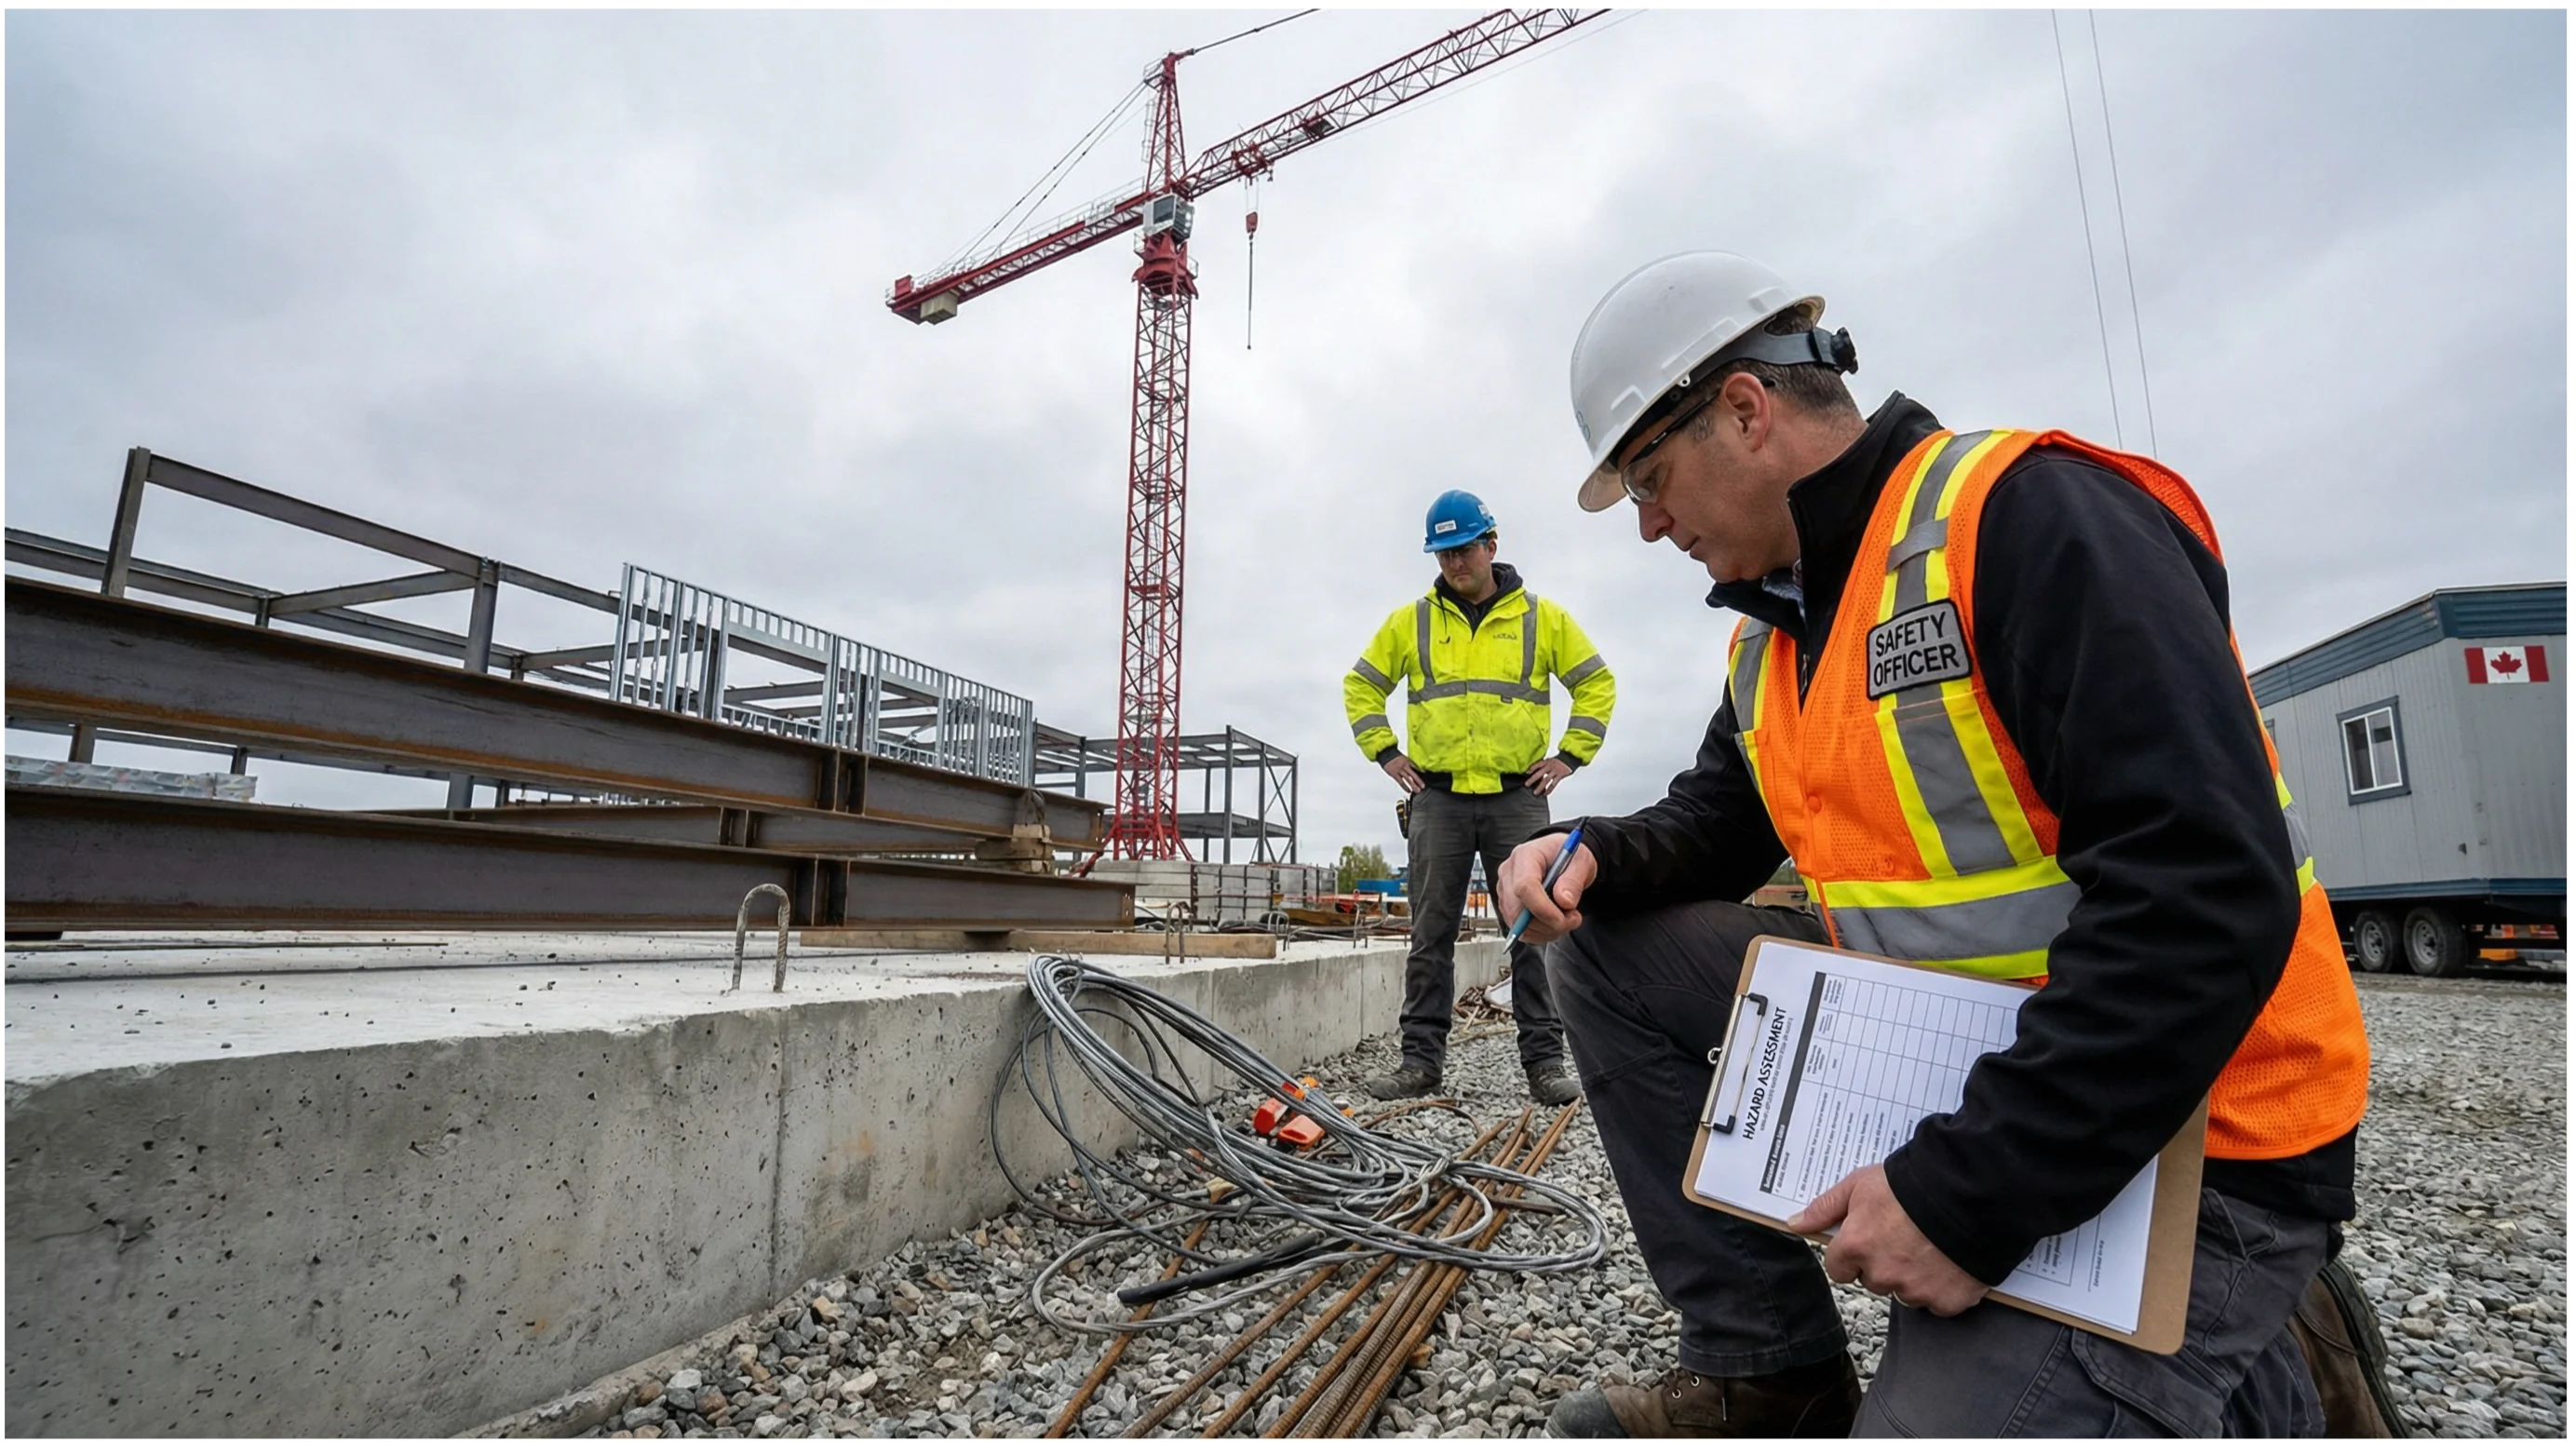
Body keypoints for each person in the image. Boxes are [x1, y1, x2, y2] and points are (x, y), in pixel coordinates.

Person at [1495, 252, 2400, 1440]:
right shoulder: (1780, 632)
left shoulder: (2025, 520)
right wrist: (1594, 851)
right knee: (1601, 956)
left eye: (1653, 480)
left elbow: (2204, 888)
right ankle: (1769, 1372)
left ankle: (2263, 1342)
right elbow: (1719, 819)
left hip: (2191, 1122)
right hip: (1979, 1074)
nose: (1653, 525)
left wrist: (1964, 1199)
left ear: (1746, 411)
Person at [1345, 490, 1617, 1106]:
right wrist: (1385, 752)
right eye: (1441, 553)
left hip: (1516, 798)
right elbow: (1361, 685)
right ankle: (1419, 1062)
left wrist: (1569, 755)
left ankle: (1545, 1063)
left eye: (1462, 549)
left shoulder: (1540, 618)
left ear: (1491, 544)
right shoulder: (1411, 621)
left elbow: (1595, 682)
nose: (1452, 564)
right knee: (1429, 932)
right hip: (1436, 800)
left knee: (1531, 929)